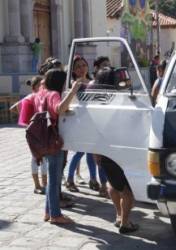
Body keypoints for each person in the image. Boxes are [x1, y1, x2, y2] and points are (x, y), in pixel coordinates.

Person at [32, 68, 81, 224]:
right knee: (54, 180)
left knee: (52, 178)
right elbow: (59, 109)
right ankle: (55, 215)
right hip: (53, 142)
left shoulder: (41, 93)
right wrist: (73, 91)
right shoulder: (53, 94)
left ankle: (48, 211)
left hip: (43, 140)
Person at [93, 67, 138, 234]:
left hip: (104, 151)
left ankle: (119, 216)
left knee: (113, 184)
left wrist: (95, 151)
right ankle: (125, 223)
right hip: (121, 150)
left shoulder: (95, 100)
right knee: (128, 191)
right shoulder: (118, 99)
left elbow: (93, 128)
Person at [66, 56, 103, 193]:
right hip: (81, 122)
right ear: (73, 71)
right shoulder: (75, 84)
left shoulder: (93, 81)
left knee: (92, 152)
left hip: (94, 121)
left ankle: (93, 179)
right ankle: (70, 178)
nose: (81, 69)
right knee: (80, 151)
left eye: (83, 65)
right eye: (78, 67)